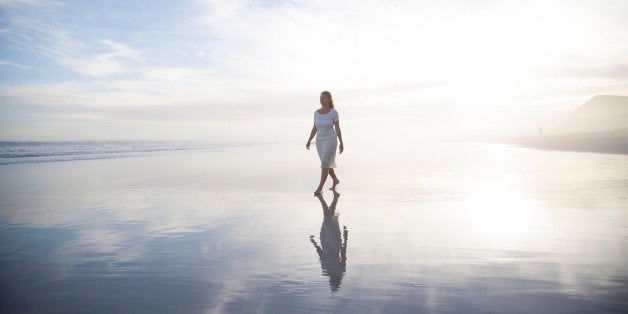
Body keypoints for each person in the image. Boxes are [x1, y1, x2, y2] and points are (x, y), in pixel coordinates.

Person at [306, 91, 344, 195]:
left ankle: (320, 188)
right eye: (320, 98)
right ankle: (335, 180)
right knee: (326, 163)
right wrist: (309, 140)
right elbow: (315, 128)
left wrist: (341, 142)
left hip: (331, 140)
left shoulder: (333, 112)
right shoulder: (316, 113)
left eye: (324, 98)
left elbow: (337, 128)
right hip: (320, 142)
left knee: (324, 163)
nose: (321, 100)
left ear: (329, 99)